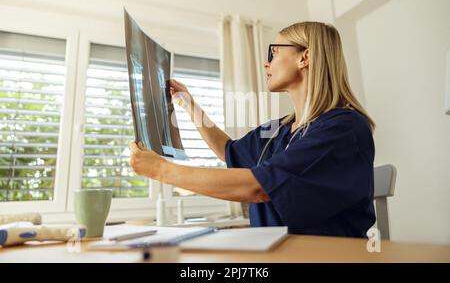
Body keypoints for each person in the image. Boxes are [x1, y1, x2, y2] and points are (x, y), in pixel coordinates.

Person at [129, 21, 376, 237]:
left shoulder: (343, 129)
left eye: (275, 51)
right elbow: (229, 152)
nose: (266, 63)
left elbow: (257, 187)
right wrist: (190, 105)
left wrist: (161, 170)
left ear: (305, 57)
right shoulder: (280, 130)